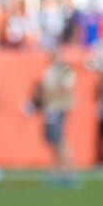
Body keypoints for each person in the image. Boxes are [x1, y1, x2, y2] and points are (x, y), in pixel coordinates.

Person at [32, 47, 77, 187]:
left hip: (57, 108)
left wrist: (48, 94)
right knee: (53, 142)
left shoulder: (64, 70)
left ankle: (68, 172)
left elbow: (65, 89)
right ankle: (58, 171)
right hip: (51, 109)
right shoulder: (51, 70)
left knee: (60, 141)